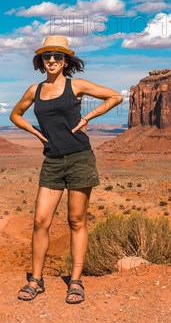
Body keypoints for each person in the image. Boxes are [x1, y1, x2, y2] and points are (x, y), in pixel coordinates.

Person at [10, 35, 122, 304]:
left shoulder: (76, 85)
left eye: (58, 56)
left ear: (65, 61)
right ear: (40, 61)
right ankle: (36, 280)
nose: (52, 60)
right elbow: (15, 114)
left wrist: (88, 117)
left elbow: (115, 96)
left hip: (79, 157)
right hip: (52, 160)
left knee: (76, 220)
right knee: (40, 221)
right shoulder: (34, 90)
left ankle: (76, 281)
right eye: (47, 56)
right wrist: (35, 133)